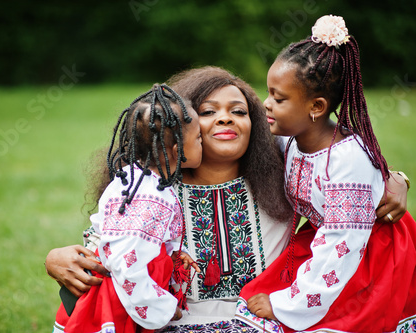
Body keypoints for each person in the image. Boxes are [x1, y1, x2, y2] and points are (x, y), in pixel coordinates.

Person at [45, 67, 409, 332]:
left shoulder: (280, 164)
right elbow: (118, 243)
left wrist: (395, 179)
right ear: (178, 130)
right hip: (172, 320)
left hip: (262, 316)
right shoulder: (152, 187)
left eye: (239, 112)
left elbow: (343, 167)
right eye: (207, 112)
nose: (225, 120)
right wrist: (56, 257)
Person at [236, 15, 416, 333]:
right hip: (326, 238)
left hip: (366, 253)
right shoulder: (289, 136)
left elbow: (341, 247)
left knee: (316, 321)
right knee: (249, 299)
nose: (266, 104)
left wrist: (287, 304)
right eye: (268, 93)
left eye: (278, 98)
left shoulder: (348, 160)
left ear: (316, 107)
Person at [53, 83, 203, 333]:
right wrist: (163, 308)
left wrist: (176, 250)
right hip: (120, 302)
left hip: (123, 293)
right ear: (179, 151)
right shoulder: (150, 198)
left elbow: (129, 235)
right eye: (198, 138)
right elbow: (126, 261)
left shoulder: (132, 180)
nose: (202, 142)